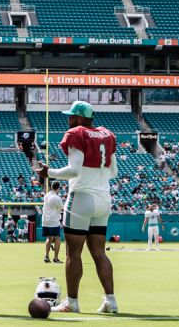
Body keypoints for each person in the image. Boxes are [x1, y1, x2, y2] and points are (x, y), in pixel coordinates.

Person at [37, 101, 119, 315]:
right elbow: (113, 171)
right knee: (100, 253)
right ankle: (111, 301)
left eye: (72, 116)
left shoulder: (77, 133)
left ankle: (72, 302)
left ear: (80, 118)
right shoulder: (107, 135)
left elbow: (74, 170)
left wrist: (49, 172)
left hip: (82, 197)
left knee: (73, 253)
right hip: (103, 198)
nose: (68, 119)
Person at [42, 182, 64, 263]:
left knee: (49, 238)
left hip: (45, 220)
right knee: (57, 239)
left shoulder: (47, 195)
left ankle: (47, 256)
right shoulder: (57, 198)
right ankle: (56, 258)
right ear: (58, 188)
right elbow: (62, 208)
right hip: (53, 220)